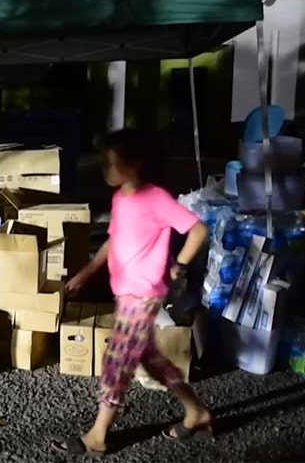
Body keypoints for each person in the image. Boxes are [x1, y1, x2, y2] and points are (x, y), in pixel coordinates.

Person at [52, 128, 211, 457]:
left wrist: (179, 265)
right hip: (126, 294)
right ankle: (196, 412)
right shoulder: (122, 197)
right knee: (151, 361)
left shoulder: (156, 198)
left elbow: (198, 229)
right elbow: (113, 240)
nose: (105, 168)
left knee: (117, 361)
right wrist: (87, 271)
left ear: (136, 163)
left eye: (112, 161)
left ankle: (98, 435)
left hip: (144, 294)